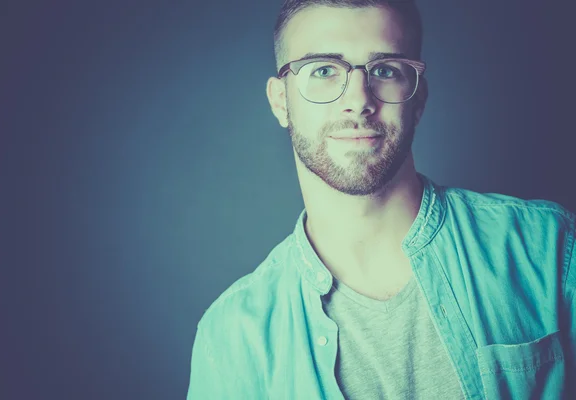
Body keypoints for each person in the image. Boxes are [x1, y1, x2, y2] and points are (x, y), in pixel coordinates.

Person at [187, 1, 576, 398]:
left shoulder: (547, 248)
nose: (358, 100)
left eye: (385, 70)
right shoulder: (233, 337)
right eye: (323, 70)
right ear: (280, 100)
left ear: (419, 97)